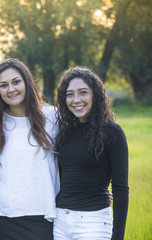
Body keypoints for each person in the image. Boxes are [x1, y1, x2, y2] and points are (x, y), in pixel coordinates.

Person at [0, 58, 60, 240]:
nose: (11, 89)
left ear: (27, 82)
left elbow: (76, 155)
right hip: (2, 218)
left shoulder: (53, 117)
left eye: (16, 82)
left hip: (44, 215)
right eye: (4, 85)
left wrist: (97, 187)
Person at [53, 66, 129, 240]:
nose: (76, 99)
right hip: (61, 222)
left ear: (95, 95)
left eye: (83, 92)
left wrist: (118, 237)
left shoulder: (112, 132)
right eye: (69, 94)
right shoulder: (64, 131)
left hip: (94, 223)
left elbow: (120, 189)